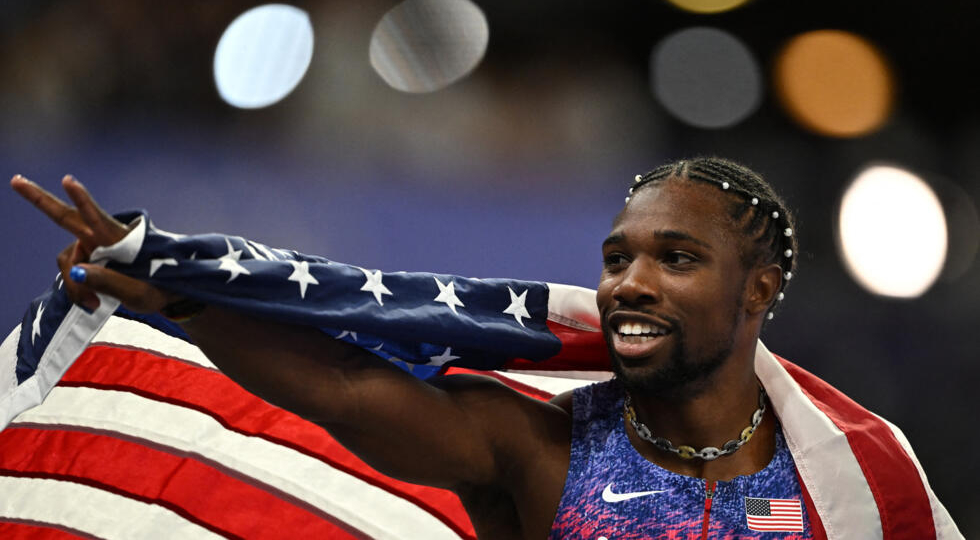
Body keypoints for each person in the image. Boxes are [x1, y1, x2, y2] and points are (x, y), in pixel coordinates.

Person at [10, 157, 960, 539]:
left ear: (757, 291)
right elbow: (344, 384)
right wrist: (186, 298)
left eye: (676, 258)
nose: (631, 282)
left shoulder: (847, 494)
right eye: (618, 257)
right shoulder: (549, 448)